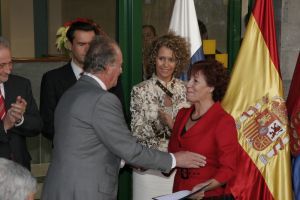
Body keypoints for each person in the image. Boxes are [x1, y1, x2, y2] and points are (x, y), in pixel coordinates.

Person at [41, 35, 206, 200]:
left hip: (63, 188)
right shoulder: (102, 100)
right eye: (120, 66)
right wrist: (174, 159)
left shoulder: (72, 92)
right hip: (84, 191)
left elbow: (93, 144)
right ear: (108, 66)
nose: (121, 71)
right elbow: (130, 150)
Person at [130, 33, 191, 199]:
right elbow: (137, 133)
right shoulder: (140, 90)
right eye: (161, 58)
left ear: (178, 62)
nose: (166, 64)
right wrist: (162, 122)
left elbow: (191, 132)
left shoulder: (186, 90)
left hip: (179, 168)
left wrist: (174, 125)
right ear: (153, 59)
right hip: (149, 169)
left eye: (171, 59)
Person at [40, 20, 123, 141]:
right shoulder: (52, 79)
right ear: (69, 45)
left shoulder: (111, 76)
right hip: (69, 152)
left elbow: (120, 119)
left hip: (105, 153)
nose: (88, 49)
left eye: (91, 44)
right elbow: (47, 126)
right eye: (81, 44)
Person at [168, 60, 238, 199]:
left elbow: (228, 168)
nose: (188, 85)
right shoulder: (182, 114)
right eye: (189, 79)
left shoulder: (224, 121)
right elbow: (172, 152)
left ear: (211, 87)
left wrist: (204, 186)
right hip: (178, 194)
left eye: (195, 81)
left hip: (207, 195)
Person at [0, 37, 42, 170]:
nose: (8, 70)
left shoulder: (21, 84)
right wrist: (5, 125)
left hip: (19, 167)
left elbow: (38, 125)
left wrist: (20, 119)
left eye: (10, 63)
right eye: (1, 65)